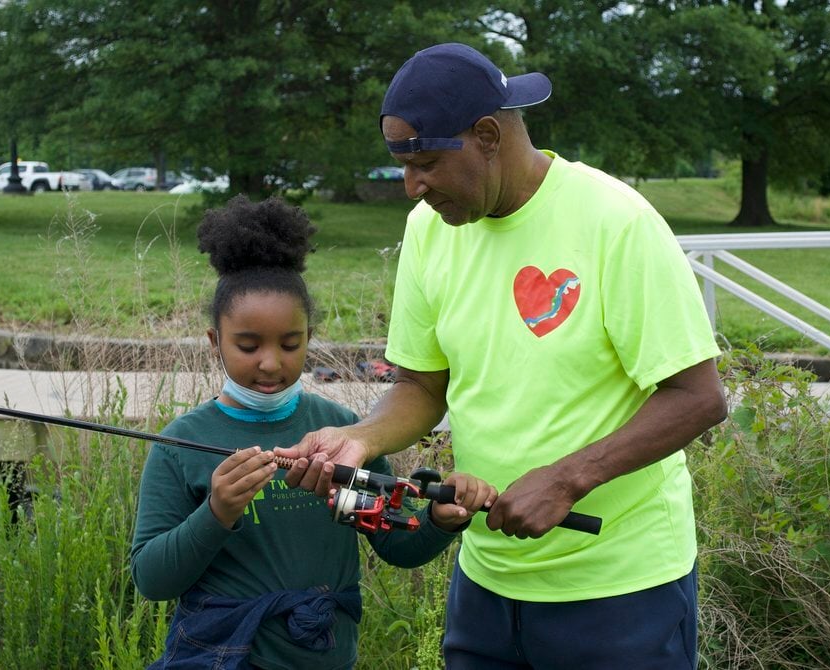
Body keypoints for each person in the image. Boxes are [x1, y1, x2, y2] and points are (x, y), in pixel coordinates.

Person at [276, 43, 728, 668]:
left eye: (427, 163)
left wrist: (569, 478)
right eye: (403, 167)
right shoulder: (429, 231)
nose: (412, 187)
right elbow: (421, 387)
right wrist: (360, 440)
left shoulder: (614, 221)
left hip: (621, 592)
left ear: (487, 135)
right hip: (486, 587)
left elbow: (697, 398)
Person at [131, 194, 497, 670]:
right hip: (220, 657)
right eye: (247, 345)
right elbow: (152, 580)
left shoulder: (347, 435)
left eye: (290, 344)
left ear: (309, 338)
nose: (270, 362)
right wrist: (217, 511)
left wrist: (441, 522)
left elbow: (398, 546)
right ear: (214, 341)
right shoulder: (180, 445)